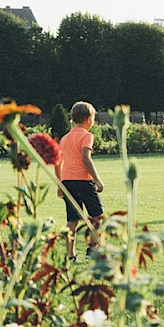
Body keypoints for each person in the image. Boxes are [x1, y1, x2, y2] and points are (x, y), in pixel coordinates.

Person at [55, 101, 105, 261]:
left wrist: (59, 184)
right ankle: (92, 249)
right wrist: (97, 179)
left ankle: (70, 255)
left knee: (72, 220)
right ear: (88, 119)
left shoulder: (64, 139)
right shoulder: (87, 135)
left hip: (67, 182)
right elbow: (85, 157)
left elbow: (58, 162)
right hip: (84, 181)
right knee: (97, 216)